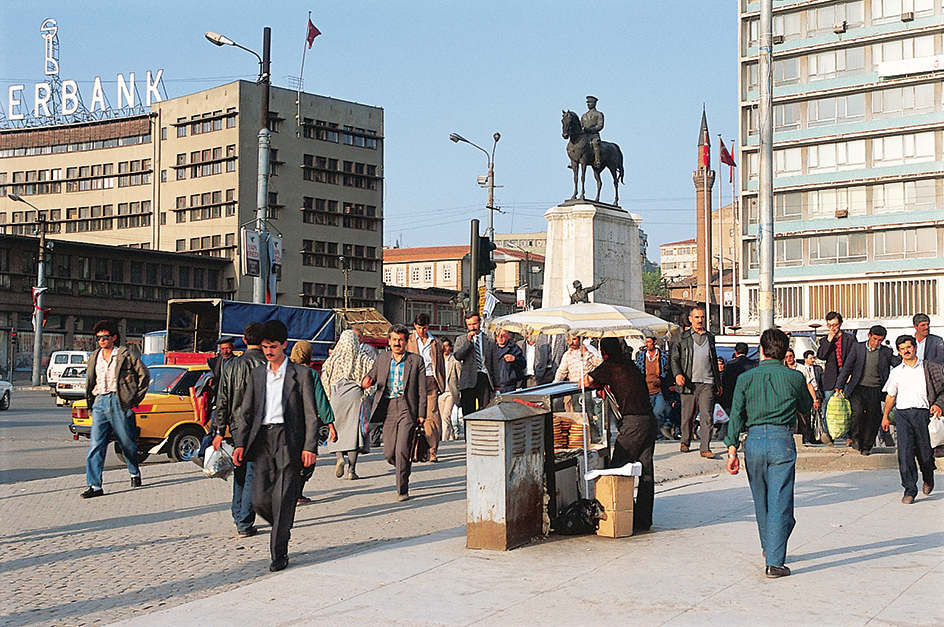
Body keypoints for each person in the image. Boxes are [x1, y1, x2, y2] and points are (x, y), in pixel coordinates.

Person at [232, 320, 320, 572]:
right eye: (264, 347)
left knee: (282, 496)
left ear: (284, 345)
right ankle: (283, 525)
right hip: (261, 442)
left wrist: (309, 447)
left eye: (272, 346)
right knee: (258, 499)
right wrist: (240, 444)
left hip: (288, 440)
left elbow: (311, 414)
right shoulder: (257, 374)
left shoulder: (301, 375)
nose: (268, 351)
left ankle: (278, 553)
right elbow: (247, 413)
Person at [726, 328, 812, 579]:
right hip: (781, 440)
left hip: (752, 441)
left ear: (761, 350)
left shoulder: (746, 378)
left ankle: (769, 545)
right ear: (786, 352)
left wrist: (732, 450)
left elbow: (736, 416)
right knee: (780, 501)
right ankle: (775, 561)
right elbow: (805, 406)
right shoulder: (794, 377)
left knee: (761, 499)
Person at [583, 337, 657, 531]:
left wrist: (599, 380)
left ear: (604, 353)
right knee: (645, 471)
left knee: (617, 469)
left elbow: (586, 381)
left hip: (632, 423)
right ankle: (643, 519)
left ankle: (615, 517)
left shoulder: (609, 366)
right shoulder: (629, 364)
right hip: (649, 420)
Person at [81, 320, 151, 498]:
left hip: (119, 402)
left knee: (126, 443)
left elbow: (144, 376)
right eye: (98, 338)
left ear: (113, 337)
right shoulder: (94, 357)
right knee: (96, 445)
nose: (101, 340)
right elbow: (90, 380)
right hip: (99, 402)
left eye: (105, 337)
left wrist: (133, 399)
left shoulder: (124, 355)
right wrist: (91, 401)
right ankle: (95, 485)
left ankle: (134, 472)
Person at [362, 325, 427, 501]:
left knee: (402, 449)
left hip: (407, 407)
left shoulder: (416, 361)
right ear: (389, 341)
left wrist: (421, 413)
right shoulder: (382, 359)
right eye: (394, 339)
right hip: (388, 407)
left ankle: (402, 489)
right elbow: (371, 376)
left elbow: (422, 390)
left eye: (400, 340)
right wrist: (366, 381)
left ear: (406, 342)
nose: (397, 343)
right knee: (389, 452)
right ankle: (403, 465)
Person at [213, 323, 266, 536]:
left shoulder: (232, 365)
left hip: (236, 426)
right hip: (260, 426)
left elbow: (222, 399)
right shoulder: (267, 363)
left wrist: (218, 430)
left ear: (244, 341)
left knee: (241, 470)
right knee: (254, 472)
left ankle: (238, 514)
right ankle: (244, 521)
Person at [881, 335, 943, 504]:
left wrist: (938, 405)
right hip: (903, 416)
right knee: (905, 453)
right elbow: (890, 396)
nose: (906, 351)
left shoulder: (929, 368)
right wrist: (885, 416)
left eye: (909, 347)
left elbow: (942, 391)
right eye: (902, 348)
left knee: (925, 454)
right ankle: (909, 490)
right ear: (899, 351)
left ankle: (928, 477)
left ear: (915, 347)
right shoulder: (896, 372)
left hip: (923, 415)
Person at [322, 330, 374, 480]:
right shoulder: (362, 358)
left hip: (336, 396)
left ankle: (339, 458)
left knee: (337, 430)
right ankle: (352, 470)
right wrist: (367, 393)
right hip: (355, 396)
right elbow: (373, 377)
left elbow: (324, 381)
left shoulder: (332, 360)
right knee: (353, 433)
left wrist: (329, 398)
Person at [670, 306, 721, 458]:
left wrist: (718, 383)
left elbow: (713, 360)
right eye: (697, 317)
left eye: (702, 317)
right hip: (689, 382)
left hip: (707, 382)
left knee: (707, 415)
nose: (700, 320)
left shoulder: (710, 337)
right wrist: (678, 374)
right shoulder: (682, 337)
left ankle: (705, 447)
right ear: (690, 319)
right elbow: (674, 358)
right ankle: (685, 440)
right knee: (687, 414)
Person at [289, 340, 336, 502]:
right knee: (307, 459)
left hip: (285, 424)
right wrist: (331, 425)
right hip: (305, 425)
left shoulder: (283, 371)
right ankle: (296, 493)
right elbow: (321, 401)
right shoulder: (311, 374)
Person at [846, 326, 900, 455]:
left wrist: (903, 353)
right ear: (869, 336)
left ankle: (867, 445)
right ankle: (856, 438)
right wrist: (839, 385)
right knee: (858, 413)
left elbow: (897, 363)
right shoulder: (858, 348)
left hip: (876, 389)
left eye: (880, 340)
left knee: (873, 417)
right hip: (859, 387)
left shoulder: (886, 352)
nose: (876, 342)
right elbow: (848, 366)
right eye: (875, 339)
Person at [406, 313, 446, 462]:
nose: (421, 331)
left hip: (430, 381)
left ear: (428, 327)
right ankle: (414, 450)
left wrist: (441, 383)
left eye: (424, 328)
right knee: (412, 415)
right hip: (413, 381)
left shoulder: (435, 342)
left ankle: (432, 451)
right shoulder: (408, 341)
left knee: (432, 417)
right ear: (414, 326)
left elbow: (440, 364)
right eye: (418, 328)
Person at [816, 311, 859, 444]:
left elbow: (856, 357)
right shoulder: (825, 340)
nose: (832, 328)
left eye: (834, 325)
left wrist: (851, 373)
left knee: (847, 406)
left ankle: (848, 436)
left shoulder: (850, 339)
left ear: (840, 324)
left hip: (846, 373)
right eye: (829, 325)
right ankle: (829, 434)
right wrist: (829, 339)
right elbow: (821, 355)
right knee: (830, 405)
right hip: (831, 375)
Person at [453, 312, 498, 417]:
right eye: (469, 325)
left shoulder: (489, 340)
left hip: (484, 377)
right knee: (468, 412)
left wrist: (497, 385)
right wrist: (468, 342)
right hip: (468, 379)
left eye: (474, 324)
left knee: (485, 410)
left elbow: (494, 363)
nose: (472, 327)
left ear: (480, 322)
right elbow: (458, 356)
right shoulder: (461, 339)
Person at [718, 342, 757, 443]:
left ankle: (724, 440)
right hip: (750, 397)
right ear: (747, 352)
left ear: (735, 352)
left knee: (730, 421)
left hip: (732, 397)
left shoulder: (730, 365)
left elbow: (725, 382)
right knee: (749, 421)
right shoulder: (753, 364)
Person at [634, 335, 672, 440]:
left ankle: (657, 433)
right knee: (649, 414)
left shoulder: (663, 356)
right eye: (645, 342)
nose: (646, 344)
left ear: (654, 342)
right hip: (646, 390)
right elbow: (639, 372)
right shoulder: (641, 357)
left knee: (658, 411)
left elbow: (667, 371)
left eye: (649, 342)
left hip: (660, 390)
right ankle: (654, 434)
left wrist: (661, 379)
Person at [554, 333, 602, 412]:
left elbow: (600, 363)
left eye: (574, 339)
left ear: (580, 339)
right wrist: (555, 384)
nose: (571, 342)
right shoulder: (567, 354)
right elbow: (561, 371)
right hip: (574, 389)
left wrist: (587, 354)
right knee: (577, 415)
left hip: (589, 389)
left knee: (590, 414)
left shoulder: (590, 349)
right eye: (569, 340)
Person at [438, 338, 461, 441]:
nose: (445, 348)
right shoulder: (438, 360)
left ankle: (444, 439)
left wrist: (459, 391)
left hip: (451, 392)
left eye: (447, 346)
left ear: (450, 347)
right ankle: (451, 436)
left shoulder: (454, 360)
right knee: (443, 416)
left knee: (445, 416)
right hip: (440, 392)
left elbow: (460, 376)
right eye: (443, 346)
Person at [494, 328, 525, 393]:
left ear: (509, 336)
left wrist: (515, 359)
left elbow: (523, 364)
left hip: (509, 385)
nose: (500, 337)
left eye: (503, 335)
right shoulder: (491, 348)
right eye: (498, 335)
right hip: (494, 385)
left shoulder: (514, 349)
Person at [581, 95, 604, 169]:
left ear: (594, 103)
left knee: (595, 143)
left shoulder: (599, 114)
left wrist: (590, 129)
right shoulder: (584, 116)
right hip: (585, 136)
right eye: (587, 102)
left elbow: (600, 126)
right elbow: (580, 126)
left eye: (590, 102)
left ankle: (597, 160)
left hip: (594, 135)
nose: (588, 104)